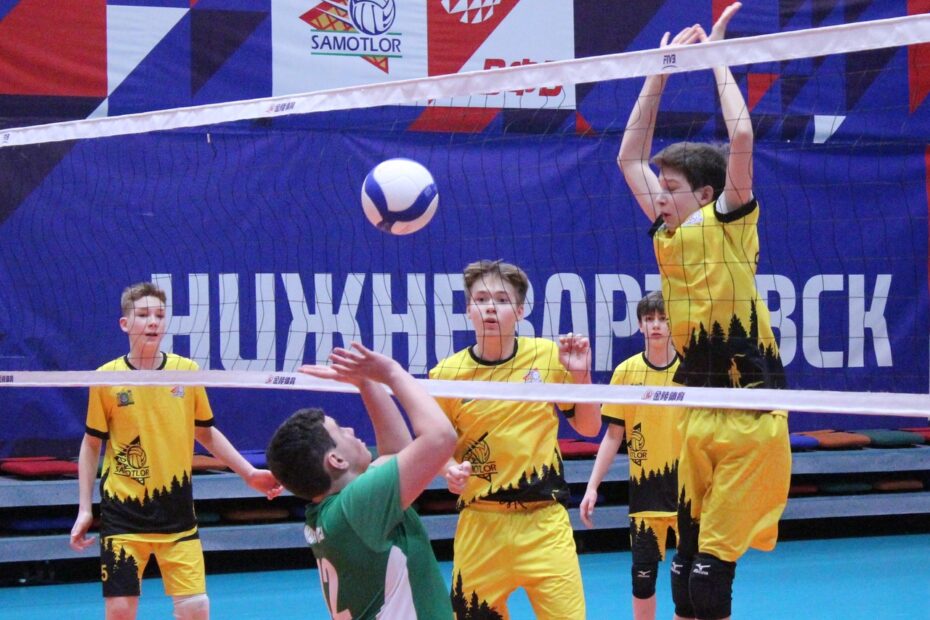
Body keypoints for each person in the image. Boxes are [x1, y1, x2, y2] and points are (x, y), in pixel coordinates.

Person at [616, 4, 791, 619]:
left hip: (750, 412)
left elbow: (740, 138)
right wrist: (659, 73)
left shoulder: (730, 222)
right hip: (696, 408)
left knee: (711, 574)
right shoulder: (668, 234)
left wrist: (717, 56)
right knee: (684, 575)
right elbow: (628, 158)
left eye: (671, 189)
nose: (659, 196)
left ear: (707, 195)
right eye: (659, 189)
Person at [69, 282, 282, 620]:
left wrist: (249, 473)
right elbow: (92, 442)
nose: (153, 321)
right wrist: (84, 509)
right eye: (143, 315)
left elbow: (205, 432)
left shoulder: (186, 372)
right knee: (120, 612)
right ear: (125, 324)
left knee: (196, 609)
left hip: (177, 514)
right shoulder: (105, 378)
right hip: (123, 515)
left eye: (159, 315)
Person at [429, 259, 601, 619]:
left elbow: (588, 428)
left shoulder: (547, 356)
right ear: (468, 309)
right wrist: (448, 469)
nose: (490, 307)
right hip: (481, 526)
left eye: (502, 300)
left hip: (545, 524)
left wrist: (581, 376)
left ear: (520, 311)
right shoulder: (446, 375)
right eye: (481, 299)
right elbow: (435, 445)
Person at [266, 342, 457, 619]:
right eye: (340, 430)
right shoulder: (355, 508)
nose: (350, 429)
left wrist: (366, 384)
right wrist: (392, 373)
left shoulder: (333, 511)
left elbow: (397, 454)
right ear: (336, 460)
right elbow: (441, 437)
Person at [579, 291, 685, 620]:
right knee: (642, 580)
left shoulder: (691, 370)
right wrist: (592, 486)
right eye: (649, 319)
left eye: (663, 319)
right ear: (640, 325)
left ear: (673, 324)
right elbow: (613, 435)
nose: (656, 325)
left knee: (690, 581)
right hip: (645, 496)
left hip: (689, 493)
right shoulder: (626, 372)